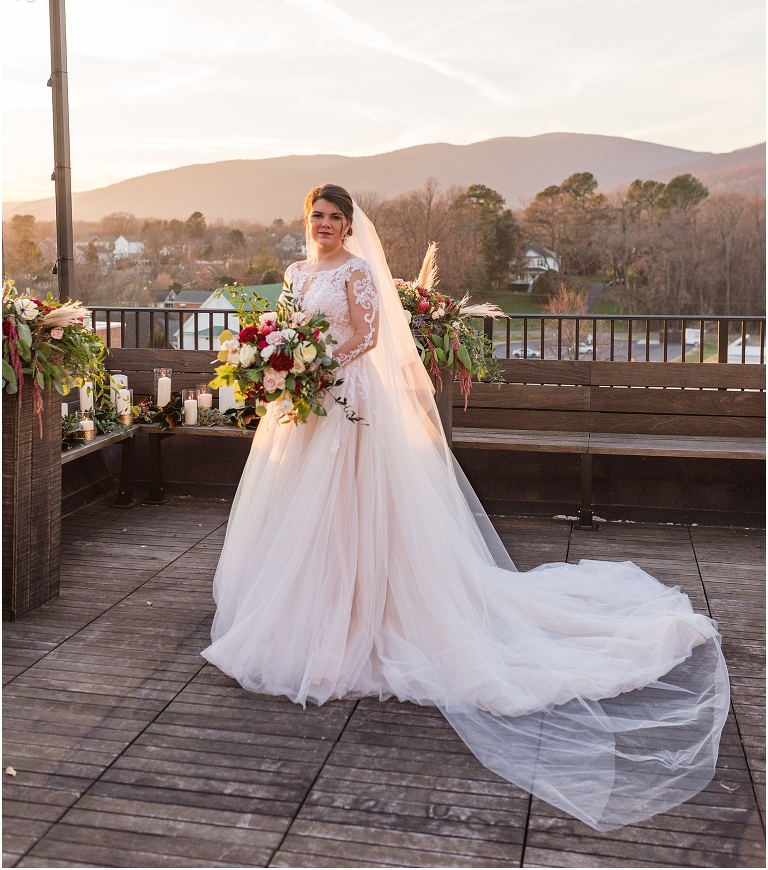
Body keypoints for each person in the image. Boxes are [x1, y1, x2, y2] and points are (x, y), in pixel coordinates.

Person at [202, 183, 728, 832]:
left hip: (347, 401)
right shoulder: (294, 271)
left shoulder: (359, 273)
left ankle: (361, 611)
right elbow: (285, 324)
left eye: (337, 217)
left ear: (349, 224)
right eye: (319, 215)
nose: (328, 225)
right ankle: (301, 614)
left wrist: (315, 361)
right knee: (299, 511)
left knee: (346, 511)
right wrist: (283, 361)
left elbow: (367, 336)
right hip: (304, 405)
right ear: (307, 219)